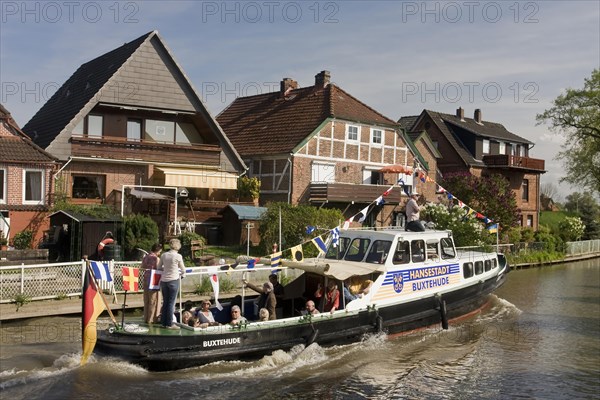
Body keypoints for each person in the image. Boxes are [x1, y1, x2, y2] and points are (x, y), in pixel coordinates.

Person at [157, 238, 186, 330]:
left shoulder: (164, 255)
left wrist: (166, 269)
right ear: (177, 246)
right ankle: (169, 324)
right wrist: (181, 273)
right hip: (173, 280)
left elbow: (159, 267)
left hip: (164, 281)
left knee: (165, 302)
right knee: (171, 303)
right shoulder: (178, 256)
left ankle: (163, 322)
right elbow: (183, 269)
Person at [140, 243, 162, 324]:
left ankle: (145, 318)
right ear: (158, 250)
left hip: (146, 280)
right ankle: (151, 319)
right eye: (160, 251)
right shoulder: (156, 258)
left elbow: (142, 267)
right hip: (154, 281)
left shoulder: (146, 257)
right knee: (154, 300)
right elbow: (159, 268)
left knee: (146, 300)